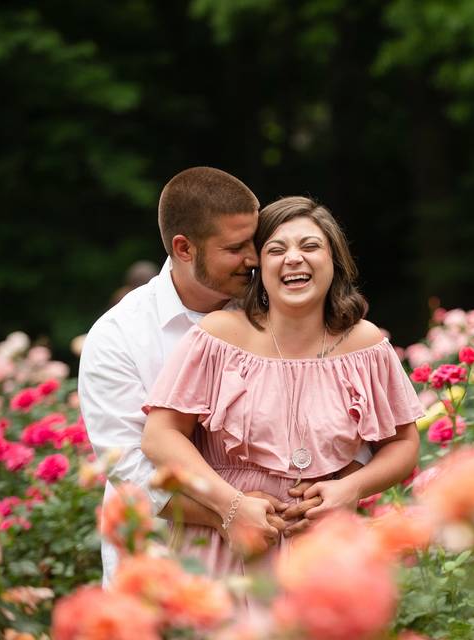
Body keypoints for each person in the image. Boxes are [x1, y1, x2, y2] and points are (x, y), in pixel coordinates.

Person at [79, 168, 352, 584]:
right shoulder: (119, 336)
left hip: (284, 563)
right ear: (184, 249)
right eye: (235, 247)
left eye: (254, 242)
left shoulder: (275, 309)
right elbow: (131, 468)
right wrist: (229, 509)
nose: (253, 258)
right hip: (160, 565)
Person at [140, 196, 423, 575]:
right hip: (228, 552)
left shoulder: (366, 346)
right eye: (276, 250)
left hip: (324, 555)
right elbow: (160, 436)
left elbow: (404, 444)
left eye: (310, 246)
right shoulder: (218, 336)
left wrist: (350, 489)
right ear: (259, 267)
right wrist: (230, 505)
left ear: (334, 262)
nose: (293, 258)